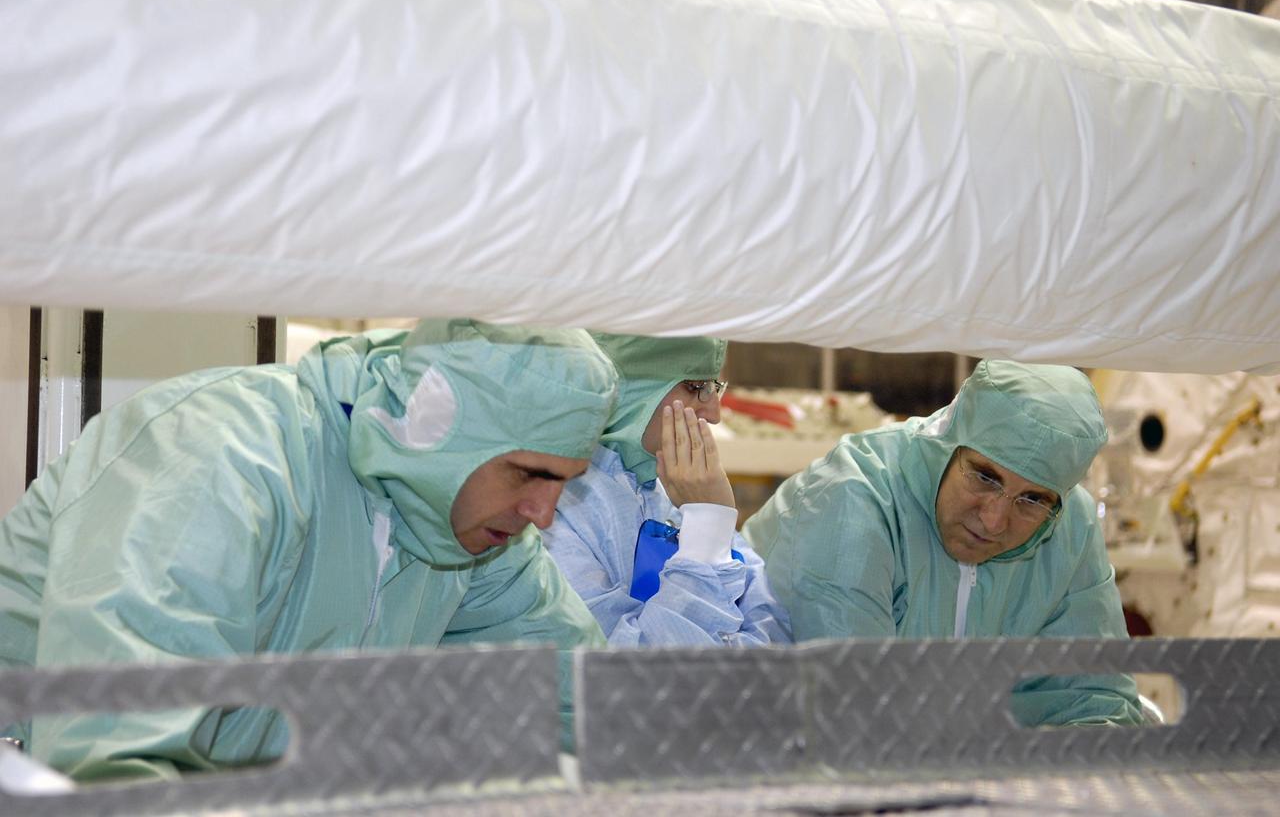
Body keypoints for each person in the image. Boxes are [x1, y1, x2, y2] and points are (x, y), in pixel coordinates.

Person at [0, 318, 618, 780]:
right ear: (443, 427)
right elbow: (111, 749)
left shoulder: (469, 537)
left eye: (564, 481)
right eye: (529, 473)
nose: (544, 512)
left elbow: (588, 708)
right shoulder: (227, 455)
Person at [744, 359, 1143, 727]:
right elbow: (854, 714)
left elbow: (1097, 704)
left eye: (1032, 499)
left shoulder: (1069, 524)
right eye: (985, 476)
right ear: (948, 445)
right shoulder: (851, 500)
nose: (993, 520)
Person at [543, 333, 790, 646]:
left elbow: (772, 635)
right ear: (626, 385)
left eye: (715, 388)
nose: (714, 414)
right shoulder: (551, 505)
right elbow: (639, 675)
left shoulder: (670, 489)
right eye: (696, 387)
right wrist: (707, 530)